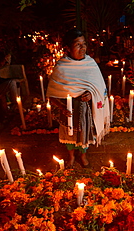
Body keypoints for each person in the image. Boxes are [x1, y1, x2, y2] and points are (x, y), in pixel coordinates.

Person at [47, 28, 110, 168]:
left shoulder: (91, 64)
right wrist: (62, 107)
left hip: (85, 111)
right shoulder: (61, 66)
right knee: (69, 136)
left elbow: (100, 89)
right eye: (77, 45)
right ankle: (71, 156)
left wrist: (92, 95)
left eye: (84, 44)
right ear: (67, 48)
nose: (83, 48)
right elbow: (51, 94)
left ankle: (83, 155)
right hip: (68, 112)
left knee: (84, 135)